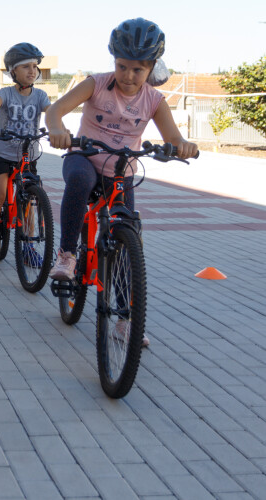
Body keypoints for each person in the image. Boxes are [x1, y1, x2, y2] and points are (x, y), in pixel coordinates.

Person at [46, 18, 198, 348]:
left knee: (128, 242)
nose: (128, 76)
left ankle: (125, 320)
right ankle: (67, 255)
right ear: (113, 61)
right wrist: (58, 129)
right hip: (84, 157)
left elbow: (173, 136)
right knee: (78, 181)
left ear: (152, 68)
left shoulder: (154, 100)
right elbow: (56, 110)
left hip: (121, 170)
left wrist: (181, 145)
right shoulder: (96, 84)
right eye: (122, 66)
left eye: (138, 70)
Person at [0, 43, 51, 256]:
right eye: (26, 66)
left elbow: (53, 112)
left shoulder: (40, 96)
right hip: (3, 154)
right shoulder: (4, 94)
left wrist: (59, 129)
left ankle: (28, 245)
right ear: (13, 72)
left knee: (30, 200)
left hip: (28, 156)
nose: (32, 71)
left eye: (35, 66)